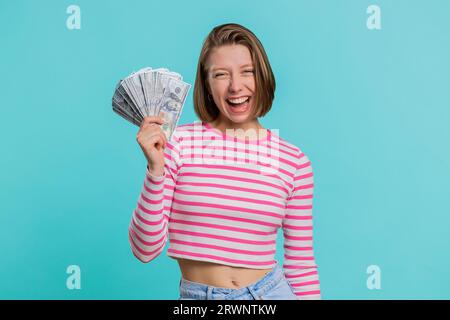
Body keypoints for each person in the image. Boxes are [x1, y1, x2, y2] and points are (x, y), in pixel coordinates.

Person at [128, 23, 321, 300]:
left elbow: (301, 266)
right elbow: (144, 249)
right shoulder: (177, 144)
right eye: (221, 74)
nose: (235, 86)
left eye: (248, 72)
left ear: (263, 77)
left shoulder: (294, 162)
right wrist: (155, 170)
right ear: (207, 84)